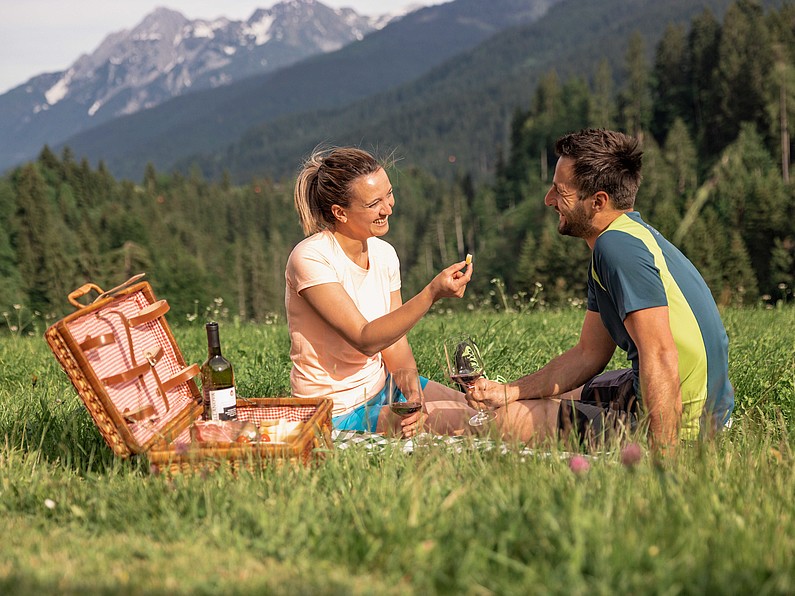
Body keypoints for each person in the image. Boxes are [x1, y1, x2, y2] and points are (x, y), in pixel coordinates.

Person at [468, 129, 734, 453]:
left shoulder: (615, 248)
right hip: (697, 404)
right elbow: (588, 354)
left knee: (500, 423)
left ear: (598, 201)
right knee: (560, 394)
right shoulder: (629, 236)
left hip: (684, 423)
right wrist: (509, 391)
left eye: (560, 192)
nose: (548, 200)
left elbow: (661, 356)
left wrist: (665, 462)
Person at [285, 147, 480, 437]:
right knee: (475, 425)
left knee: (481, 411)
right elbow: (365, 339)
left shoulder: (384, 253)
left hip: (385, 387)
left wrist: (413, 394)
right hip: (335, 410)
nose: (388, 208)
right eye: (374, 203)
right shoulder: (311, 258)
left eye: (388, 195)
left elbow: (394, 343)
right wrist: (431, 294)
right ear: (340, 213)